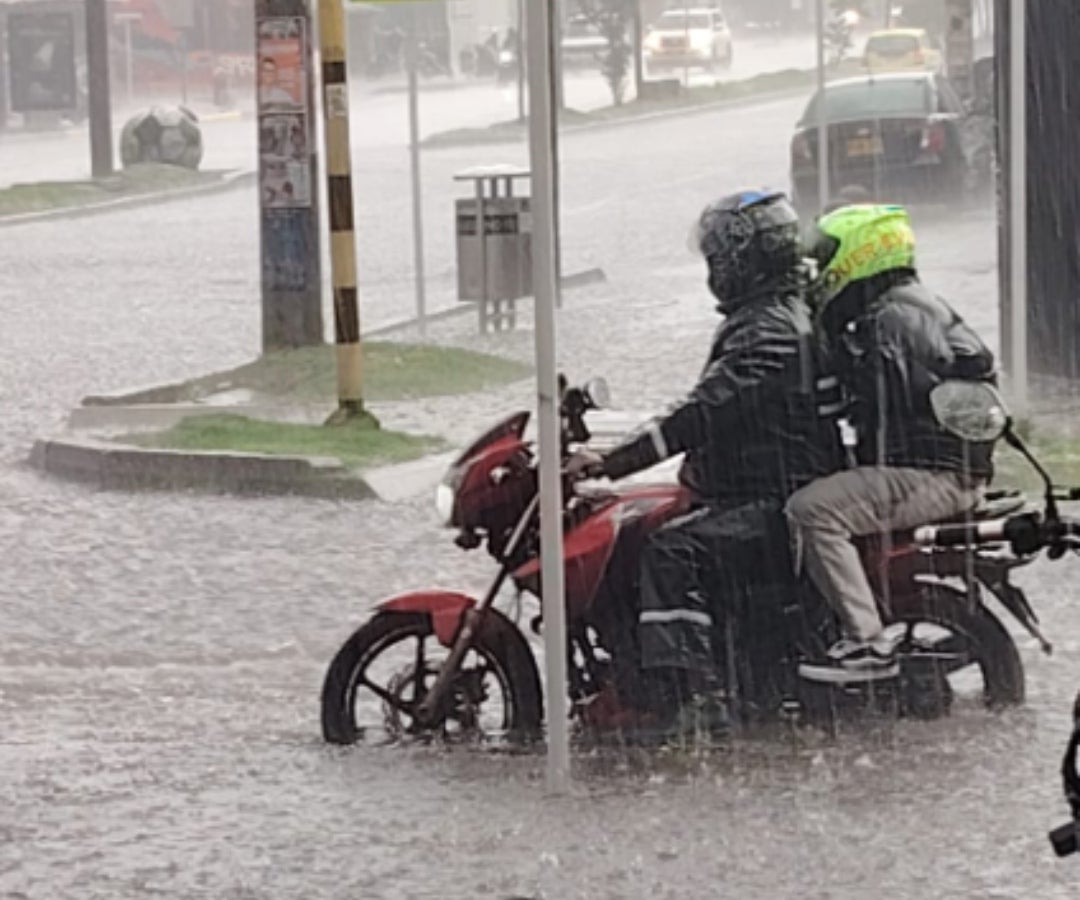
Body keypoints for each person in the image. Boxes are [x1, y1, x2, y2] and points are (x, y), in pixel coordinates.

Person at [567, 190, 842, 731]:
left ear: (743, 259)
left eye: (719, 258)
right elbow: (708, 406)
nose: (714, 269)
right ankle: (646, 675)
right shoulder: (769, 315)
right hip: (752, 485)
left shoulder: (770, 331)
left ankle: (697, 698)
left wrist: (611, 461)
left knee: (671, 551)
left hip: (767, 497)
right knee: (644, 522)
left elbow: (705, 410)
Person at [786, 203, 997, 684]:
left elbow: (876, 399)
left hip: (931, 473)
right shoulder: (914, 304)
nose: (818, 269)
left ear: (856, 255)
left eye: (826, 256)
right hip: (948, 465)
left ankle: (867, 641)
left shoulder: (886, 320)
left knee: (811, 510)